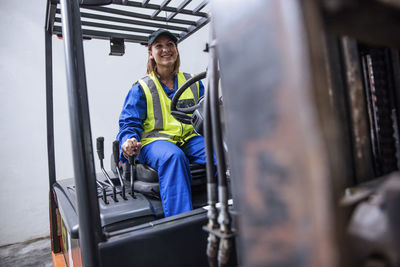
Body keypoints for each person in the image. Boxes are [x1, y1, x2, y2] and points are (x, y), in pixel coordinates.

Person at [117, 29, 207, 217]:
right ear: (151, 53)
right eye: (159, 46)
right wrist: (129, 140)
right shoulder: (141, 88)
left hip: (189, 138)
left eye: (170, 45)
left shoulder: (193, 82)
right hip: (156, 142)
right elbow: (129, 122)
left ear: (176, 49)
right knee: (173, 157)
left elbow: (206, 111)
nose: (166, 49)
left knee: (222, 149)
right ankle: (181, 224)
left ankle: (238, 207)